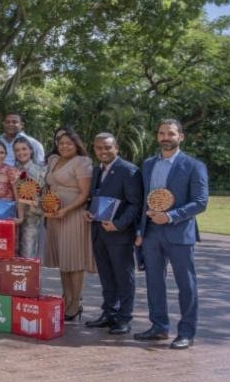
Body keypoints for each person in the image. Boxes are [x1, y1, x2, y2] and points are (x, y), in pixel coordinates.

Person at [135, 119, 209, 350]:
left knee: (186, 284)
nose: (165, 137)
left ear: (181, 137)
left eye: (171, 133)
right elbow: (144, 199)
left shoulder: (194, 166)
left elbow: (200, 202)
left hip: (179, 232)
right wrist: (140, 230)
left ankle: (186, 333)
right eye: (161, 133)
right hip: (151, 232)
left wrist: (170, 216)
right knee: (153, 282)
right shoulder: (148, 164)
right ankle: (158, 327)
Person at [84, 133, 143, 335]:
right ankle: (109, 313)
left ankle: (124, 318)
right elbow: (94, 197)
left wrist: (118, 224)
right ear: (94, 149)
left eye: (107, 147)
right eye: (99, 148)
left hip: (119, 234)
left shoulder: (129, 171)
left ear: (116, 148)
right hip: (98, 232)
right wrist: (88, 211)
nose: (103, 151)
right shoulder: (96, 170)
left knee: (124, 277)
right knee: (106, 276)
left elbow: (135, 203)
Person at [42, 129, 95, 322]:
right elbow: (48, 185)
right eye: (61, 143)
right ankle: (66, 296)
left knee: (74, 260)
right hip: (54, 214)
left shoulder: (82, 162)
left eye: (68, 143)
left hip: (73, 214)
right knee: (63, 260)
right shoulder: (54, 160)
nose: (64, 146)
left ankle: (75, 302)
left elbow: (84, 194)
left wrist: (66, 210)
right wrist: (46, 204)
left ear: (76, 145)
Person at [12, 137, 47, 258]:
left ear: (31, 150)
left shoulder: (40, 171)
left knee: (28, 258)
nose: (21, 152)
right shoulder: (12, 170)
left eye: (24, 149)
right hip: (12, 219)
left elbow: (43, 197)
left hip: (31, 220)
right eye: (17, 150)